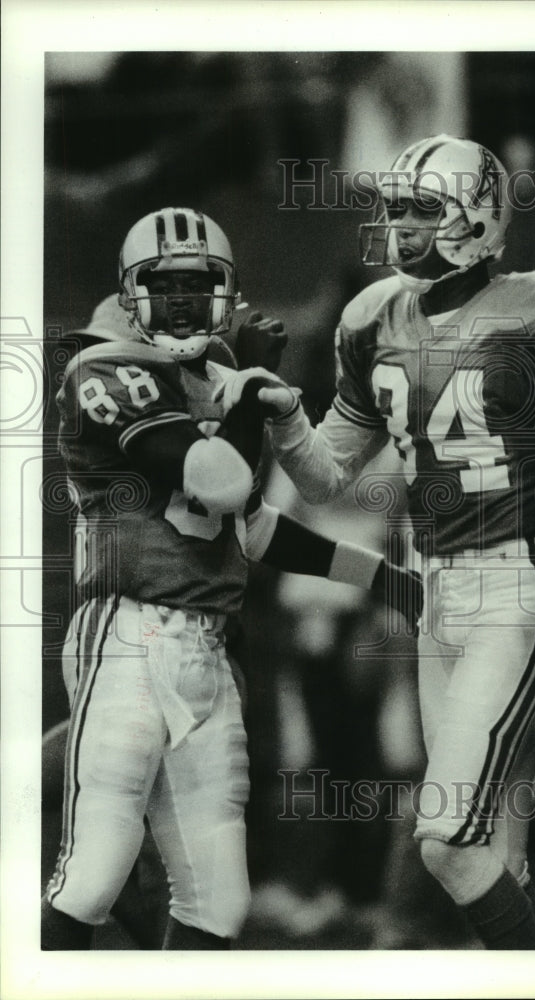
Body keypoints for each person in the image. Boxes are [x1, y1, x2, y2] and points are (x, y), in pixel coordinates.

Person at [226, 135, 535, 950]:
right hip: (436, 594)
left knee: (444, 838)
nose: (402, 227)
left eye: (425, 210)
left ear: (480, 219)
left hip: (520, 579)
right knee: (493, 852)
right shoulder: (369, 317)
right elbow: (322, 478)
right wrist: (281, 417)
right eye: (396, 210)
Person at [41, 206, 421, 951]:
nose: (183, 304)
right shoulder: (104, 368)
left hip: (205, 648)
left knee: (217, 901)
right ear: (131, 299)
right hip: (129, 633)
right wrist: (247, 398)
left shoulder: (204, 385)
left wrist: (379, 578)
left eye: (198, 288)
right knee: (91, 875)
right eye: (166, 288)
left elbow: (251, 526)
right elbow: (215, 479)